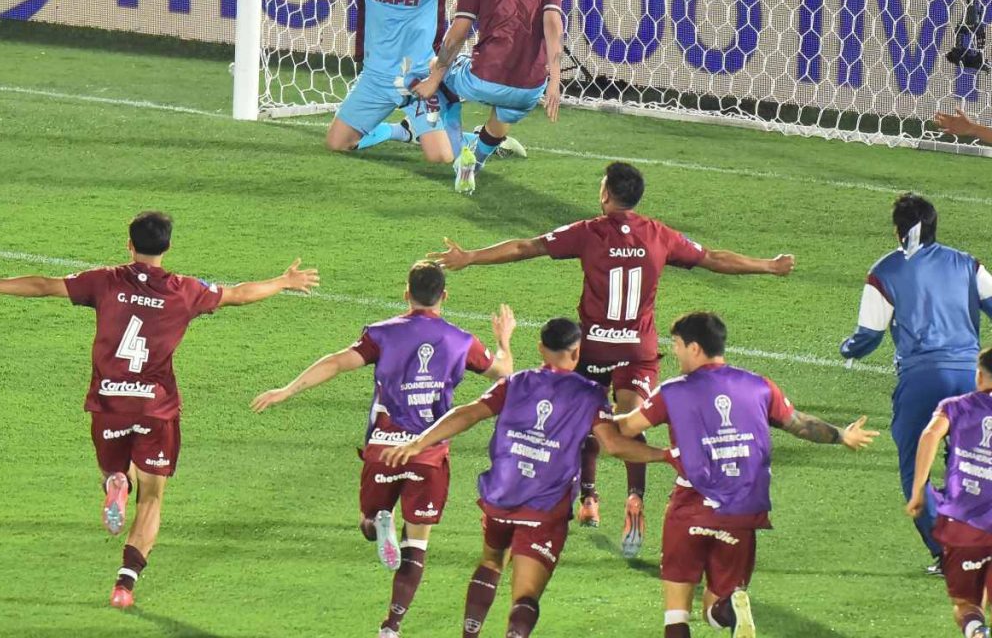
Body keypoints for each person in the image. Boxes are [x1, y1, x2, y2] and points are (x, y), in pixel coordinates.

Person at [428, 162, 795, 558]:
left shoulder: (589, 232)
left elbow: (525, 247)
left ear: (605, 194)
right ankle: (635, 500)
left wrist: (470, 257)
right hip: (637, 352)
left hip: (592, 348)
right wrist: (768, 265)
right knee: (630, 422)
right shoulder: (659, 234)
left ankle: (588, 497)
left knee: (587, 419)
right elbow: (713, 258)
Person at [0, 211, 318, 608]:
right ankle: (124, 585)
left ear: (129, 245)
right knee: (151, 498)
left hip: (109, 403)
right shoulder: (185, 290)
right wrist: (284, 281)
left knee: (114, 470)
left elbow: (44, 285)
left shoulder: (106, 280)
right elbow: (239, 294)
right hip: (156, 409)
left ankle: (115, 483)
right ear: (168, 247)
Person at [250, 261, 514, 638]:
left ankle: (378, 523)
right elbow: (503, 372)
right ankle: (391, 626)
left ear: (406, 293)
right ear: (444, 295)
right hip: (428, 454)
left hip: (383, 449)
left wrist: (287, 389)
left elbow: (337, 363)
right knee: (416, 545)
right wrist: (504, 340)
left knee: (367, 523)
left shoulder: (382, 334)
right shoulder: (461, 340)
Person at [382, 317, 670, 638]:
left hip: (500, 497)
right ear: (577, 353)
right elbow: (614, 445)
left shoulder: (514, 383)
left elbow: (468, 413)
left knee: (491, 563)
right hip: (544, 509)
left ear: (540, 349)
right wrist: (666, 455)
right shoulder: (590, 395)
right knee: (525, 597)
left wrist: (418, 442)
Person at [616, 312, 879, 638]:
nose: (675, 351)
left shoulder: (673, 391)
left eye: (678, 345)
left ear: (695, 348)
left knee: (676, 615)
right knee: (715, 610)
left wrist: (591, 416)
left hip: (690, 506)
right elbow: (800, 424)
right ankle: (730, 608)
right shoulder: (758, 386)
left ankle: (717, 612)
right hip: (742, 512)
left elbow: (626, 428)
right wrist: (842, 435)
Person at [225, 0, 471, 163]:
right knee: (337, 144)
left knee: (441, 158)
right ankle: (401, 131)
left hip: (418, 77)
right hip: (376, 76)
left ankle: (479, 138)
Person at [841, 193, 992, 571]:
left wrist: (848, 348)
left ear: (898, 230)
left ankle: (948, 553)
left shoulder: (885, 271)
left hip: (921, 382)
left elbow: (869, 336)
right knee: (975, 463)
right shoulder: (968, 264)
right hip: (970, 379)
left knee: (915, 469)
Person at [410, 0, 565, 191]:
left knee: (432, 66)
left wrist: (434, 78)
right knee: (504, 113)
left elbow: (457, 34)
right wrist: (554, 81)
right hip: (529, 90)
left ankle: (455, 144)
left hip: (482, 81)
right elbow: (553, 25)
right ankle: (473, 165)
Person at [907, 347, 992, 638]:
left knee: (966, 604)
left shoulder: (956, 406)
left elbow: (930, 434)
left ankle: (977, 632)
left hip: (963, 525)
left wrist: (918, 489)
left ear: (979, 376)